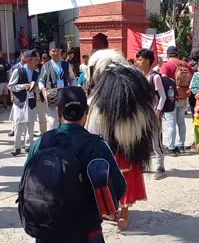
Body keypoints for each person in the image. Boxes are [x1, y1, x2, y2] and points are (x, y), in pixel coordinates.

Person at [26, 86, 126, 243]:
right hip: (86, 232)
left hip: (46, 232)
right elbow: (119, 189)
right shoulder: (98, 146)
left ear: (58, 112)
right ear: (86, 112)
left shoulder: (40, 143)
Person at [86, 49, 158, 230]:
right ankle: (120, 209)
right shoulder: (133, 76)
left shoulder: (108, 82)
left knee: (111, 172)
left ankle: (114, 209)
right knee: (125, 172)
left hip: (113, 138)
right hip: (132, 137)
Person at [135, 48, 167, 180]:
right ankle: (142, 164)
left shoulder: (155, 77)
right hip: (141, 115)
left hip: (153, 115)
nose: (137, 62)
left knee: (156, 142)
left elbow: (163, 96)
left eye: (140, 59)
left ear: (148, 61)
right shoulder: (139, 76)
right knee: (141, 141)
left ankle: (160, 167)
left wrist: (158, 111)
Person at [160, 46, 194, 155]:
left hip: (171, 98)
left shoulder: (166, 65)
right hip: (184, 97)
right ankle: (181, 145)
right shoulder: (186, 65)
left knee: (171, 124)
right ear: (177, 54)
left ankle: (170, 147)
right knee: (181, 122)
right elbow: (193, 79)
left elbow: (163, 80)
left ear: (168, 54)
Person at [8, 50, 40, 156]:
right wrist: (22, 86)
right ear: (29, 60)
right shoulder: (18, 71)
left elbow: (38, 89)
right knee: (19, 125)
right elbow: (11, 86)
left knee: (30, 125)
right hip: (20, 102)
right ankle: (17, 147)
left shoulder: (36, 73)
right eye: (35, 60)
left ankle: (28, 146)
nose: (37, 62)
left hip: (31, 101)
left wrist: (35, 88)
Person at [38, 46, 76, 130]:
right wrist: (43, 89)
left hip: (65, 95)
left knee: (65, 120)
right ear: (49, 53)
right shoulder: (46, 66)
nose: (55, 53)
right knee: (53, 122)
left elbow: (72, 79)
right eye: (53, 51)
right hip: (51, 95)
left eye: (58, 51)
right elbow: (41, 80)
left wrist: (72, 88)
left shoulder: (66, 64)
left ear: (61, 52)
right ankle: (54, 140)